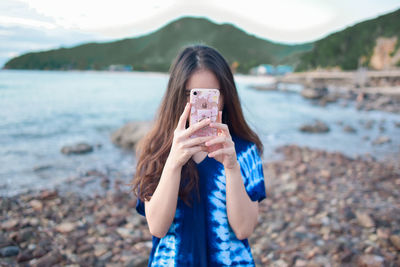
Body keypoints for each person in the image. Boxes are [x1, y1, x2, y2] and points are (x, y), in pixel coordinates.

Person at [131, 44, 267, 266]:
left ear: (226, 96)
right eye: (191, 95)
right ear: (176, 96)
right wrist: (173, 163)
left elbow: (244, 229)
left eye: (212, 95)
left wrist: (232, 168)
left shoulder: (244, 151)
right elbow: (157, 227)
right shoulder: (157, 150)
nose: (201, 105)